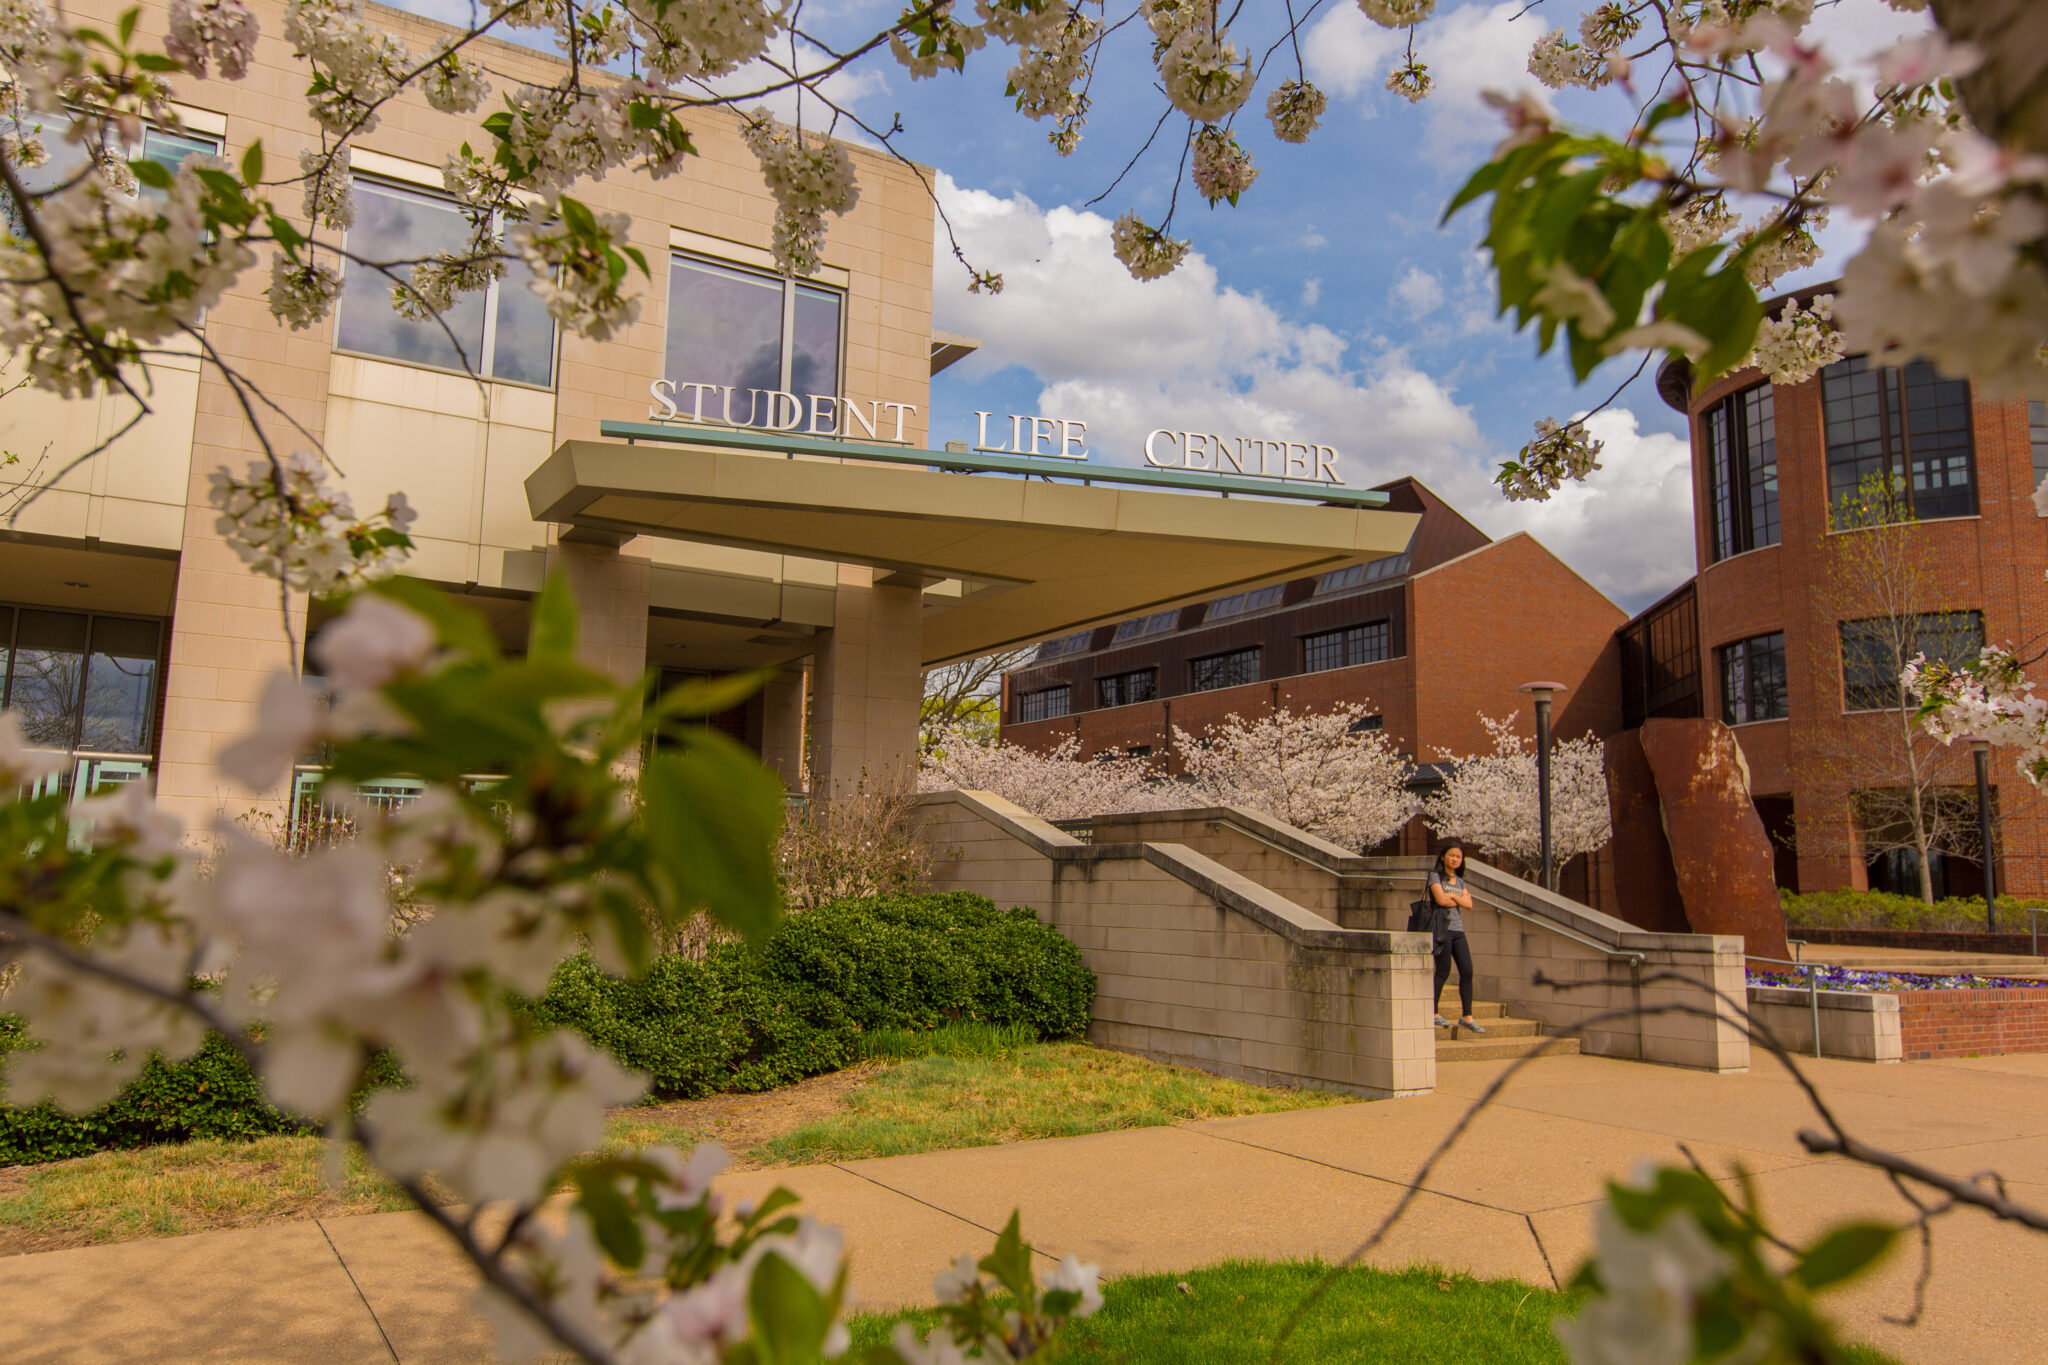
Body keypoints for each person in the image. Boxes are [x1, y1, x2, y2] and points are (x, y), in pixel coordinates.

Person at [1427, 842, 1485, 1035]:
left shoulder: (1459, 881)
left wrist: (1452, 895)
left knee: (1467, 971)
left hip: (1458, 930)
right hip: (1442, 930)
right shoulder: (1435, 876)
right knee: (1443, 970)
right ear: (1443, 856)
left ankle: (1467, 1017)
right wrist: (1457, 898)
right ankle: (1433, 1012)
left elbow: (1469, 904)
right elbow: (1441, 900)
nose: (1454, 859)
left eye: (1458, 857)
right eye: (1451, 855)